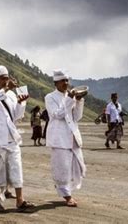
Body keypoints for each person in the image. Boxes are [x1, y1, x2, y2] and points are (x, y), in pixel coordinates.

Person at [0, 65, 34, 213]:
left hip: (10, 137)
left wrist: (21, 102)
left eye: (7, 78)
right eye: (3, 78)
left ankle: (20, 200)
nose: (6, 81)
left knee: (16, 168)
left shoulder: (10, 95)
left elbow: (16, 116)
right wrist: (5, 90)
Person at [45, 69, 86, 207]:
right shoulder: (49, 97)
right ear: (56, 83)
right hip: (59, 137)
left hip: (72, 136)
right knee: (62, 167)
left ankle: (65, 190)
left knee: (77, 166)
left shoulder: (71, 97)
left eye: (67, 80)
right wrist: (69, 99)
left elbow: (77, 117)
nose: (66, 83)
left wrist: (78, 101)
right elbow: (57, 114)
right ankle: (67, 196)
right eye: (63, 81)